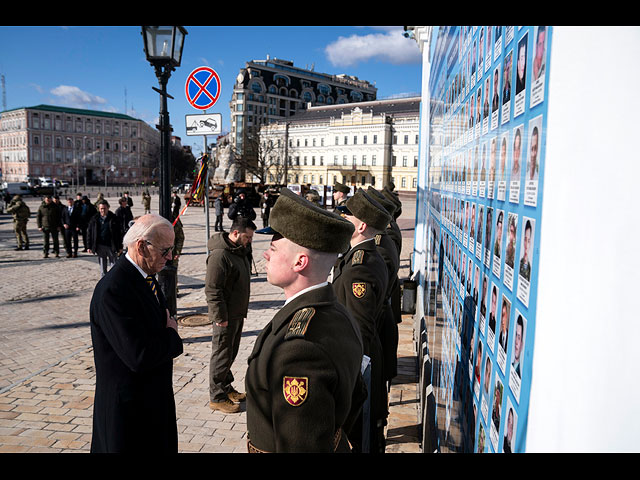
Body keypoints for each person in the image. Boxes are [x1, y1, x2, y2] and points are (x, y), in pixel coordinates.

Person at [246, 187, 365, 452]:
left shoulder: (299, 350)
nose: (265, 254)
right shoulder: (336, 312)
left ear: (300, 262)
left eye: (274, 248)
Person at [89, 213, 183, 453]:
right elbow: (138, 356)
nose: (170, 257)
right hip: (129, 417)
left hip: (150, 406)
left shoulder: (145, 278)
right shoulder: (114, 289)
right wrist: (172, 336)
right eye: (165, 251)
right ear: (141, 246)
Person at [332, 188, 391, 453]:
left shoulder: (361, 267)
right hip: (362, 355)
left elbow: (360, 327)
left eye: (348, 216)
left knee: (359, 435)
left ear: (362, 225)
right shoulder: (357, 257)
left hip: (359, 361)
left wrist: (352, 376)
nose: (343, 219)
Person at [206, 216, 256, 413]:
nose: (250, 240)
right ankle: (217, 397)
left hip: (236, 313)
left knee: (230, 353)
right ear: (235, 233)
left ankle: (226, 387)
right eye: (247, 237)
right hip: (225, 316)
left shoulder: (239, 251)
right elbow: (212, 289)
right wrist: (220, 317)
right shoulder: (220, 256)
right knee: (221, 354)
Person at [87, 200, 123, 277]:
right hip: (100, 245)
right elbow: (90, 233)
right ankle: (103, 280)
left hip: (111, 245)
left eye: (104, 208)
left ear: (108, 208)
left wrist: (120, 246)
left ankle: (114, 279)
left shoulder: (114, 218)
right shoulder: (94, 219)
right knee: (102, 264)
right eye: (101, 208)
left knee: (114, 263)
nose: (103, 210)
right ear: (98, 209)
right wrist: (89, 246)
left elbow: (119, 233)